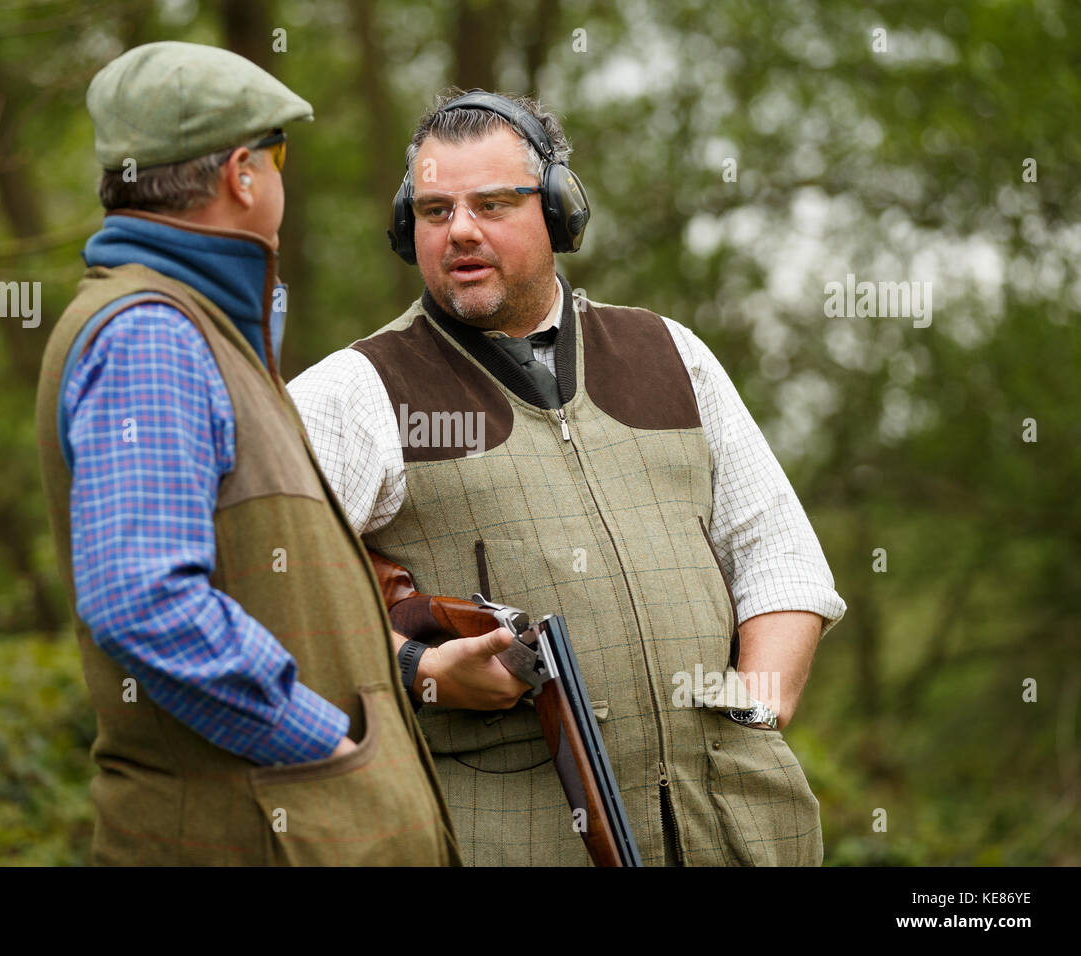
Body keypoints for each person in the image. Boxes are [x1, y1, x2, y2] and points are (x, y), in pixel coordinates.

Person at [287, 88, 848, 866]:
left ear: (557, 211)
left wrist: (753, 712)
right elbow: (263, 598)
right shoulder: (353, 391)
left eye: (492, 203)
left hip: (736, 832)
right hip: (506, 836)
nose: (461, 232)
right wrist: (420, 670)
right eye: (435, 210)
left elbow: (779, 555)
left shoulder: (669, 353)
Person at [34, 42, 462, 866]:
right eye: (280, 153)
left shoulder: (203, 332)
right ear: (242, 174)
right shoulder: (152, 337)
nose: (281, 176)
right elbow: (143, 601)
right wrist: (324, 742)